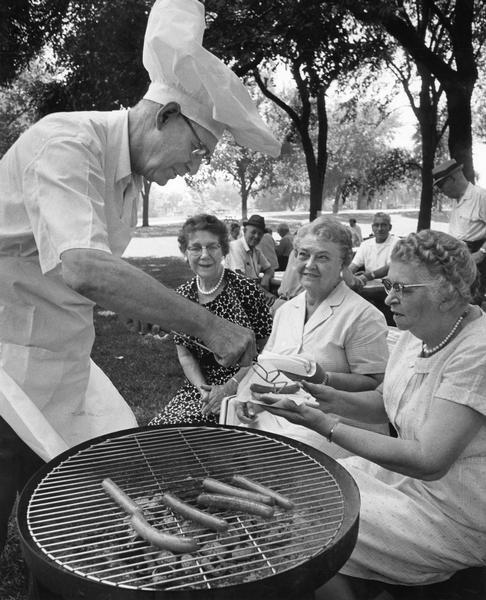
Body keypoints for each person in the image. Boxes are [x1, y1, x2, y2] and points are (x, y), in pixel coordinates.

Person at [0, 0, 280, 554]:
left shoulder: (128, 183)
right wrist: (209, 327)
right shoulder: (65, 142)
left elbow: (86, 267)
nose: (195, 168)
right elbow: (83, 267)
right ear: (164, 114)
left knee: (71, 511)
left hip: (62, 354)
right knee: (14, 485)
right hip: (5, 357)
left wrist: (136, 301)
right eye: (197, 148)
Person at [256, 230, 486, 598]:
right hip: (407, 482)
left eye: (403, 288)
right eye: (389, 284)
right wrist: (320, 396)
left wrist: (326, 426)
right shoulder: (417, 331)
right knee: (303, 487)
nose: (389, 297)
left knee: (309, 522)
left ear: (446, 291)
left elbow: (429, 460)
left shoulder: (477, 352)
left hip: (456, 511)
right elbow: (385, 399)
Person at [232, 216, 389, 456]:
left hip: (339, 431)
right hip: (284, 420)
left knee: (262, 456)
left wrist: (324, 379)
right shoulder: (286, 311)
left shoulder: (363, 316)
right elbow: (268, 368)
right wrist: (250, 397)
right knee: (230, 439)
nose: (309, 264)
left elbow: (376, 386)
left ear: (343, 263)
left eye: (323, 257)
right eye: (303, 255)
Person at [150, 214, 272, 426]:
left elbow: (265, 350)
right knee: (160, 432)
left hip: (246, 386)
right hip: (201, 388)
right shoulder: (180, 299)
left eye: (212, 247)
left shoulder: (247, 290)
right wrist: (202, 390)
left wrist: (228, 388)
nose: (204, 255)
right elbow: (186, 356)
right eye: (195, 248)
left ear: (224, 250)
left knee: (215, 442)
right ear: (185, 253)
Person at [433, 158, 486, 303]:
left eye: (441, 186)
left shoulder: (480, 197)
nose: (441, 191)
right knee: (455, 300)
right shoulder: (457, 199)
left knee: (471, 301)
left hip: (475, 256)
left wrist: (482, 252)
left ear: (452, 179)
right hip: (457, 254)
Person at [225, 214, 275, 291]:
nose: (256, 236)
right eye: (253, 232)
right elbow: (241, 278)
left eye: (260, 234)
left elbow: (269, 269)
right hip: (236, 295)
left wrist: (266, 278)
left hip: (251, 292)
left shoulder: (256, 251)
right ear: (244, 231)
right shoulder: (235, 247)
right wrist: (265, 293)